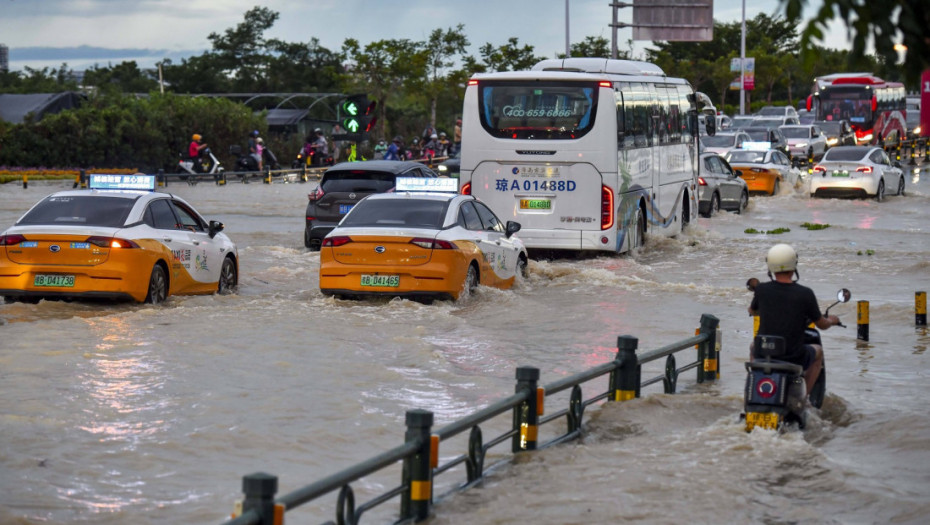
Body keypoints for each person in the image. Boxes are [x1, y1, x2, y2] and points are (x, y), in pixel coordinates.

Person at [748, 244, 840, 397]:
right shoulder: (805, 293)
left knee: (753, 346)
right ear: (794, 265)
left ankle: (757, 380)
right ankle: (805, 398)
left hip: (764, 352)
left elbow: (752, 310)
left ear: (770, 266)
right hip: (793, 355)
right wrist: (831, 320)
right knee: (818, 352)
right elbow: (821, 324)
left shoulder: (762, 290)